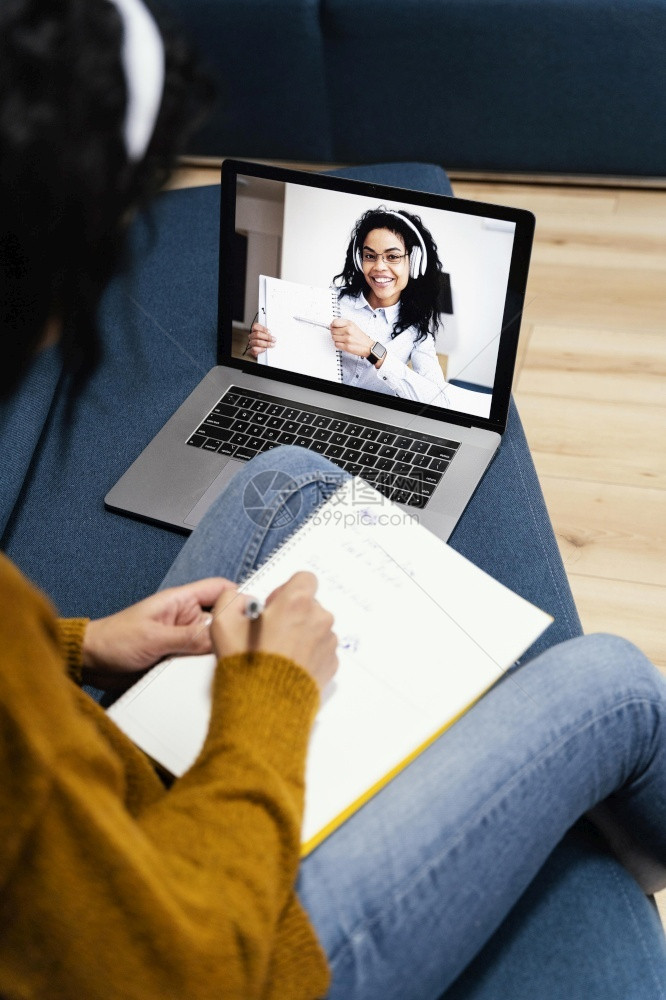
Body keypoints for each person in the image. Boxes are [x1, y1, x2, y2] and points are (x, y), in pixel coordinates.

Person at [1, 2, 665, 999]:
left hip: (110, 789)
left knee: (284, 475)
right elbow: (176, 967)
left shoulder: (419, 331)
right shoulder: (340, 309)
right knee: (614, 684)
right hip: (232, 944)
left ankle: (438, 697)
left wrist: (80, 643)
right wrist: (272, 700)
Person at [248, 207, 467, 408]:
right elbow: (290, 359)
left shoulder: (417, 335)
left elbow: (440, 401)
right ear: (359, 258)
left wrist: (374, 351)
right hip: (311, 407)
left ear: (415, 263)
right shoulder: (331, 301)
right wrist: (262, 349)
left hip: (367, 427)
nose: (379, 267)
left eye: (393, 256)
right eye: (370, 256)